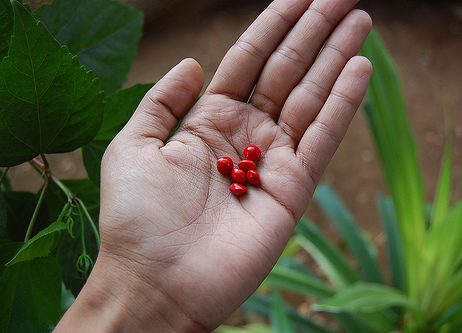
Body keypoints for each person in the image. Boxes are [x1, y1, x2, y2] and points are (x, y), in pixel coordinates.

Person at [54, 0, 372, 331]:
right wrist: (140, 280)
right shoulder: (240, 172)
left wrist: (137, 287)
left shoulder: (244, 170)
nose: (242, 175)